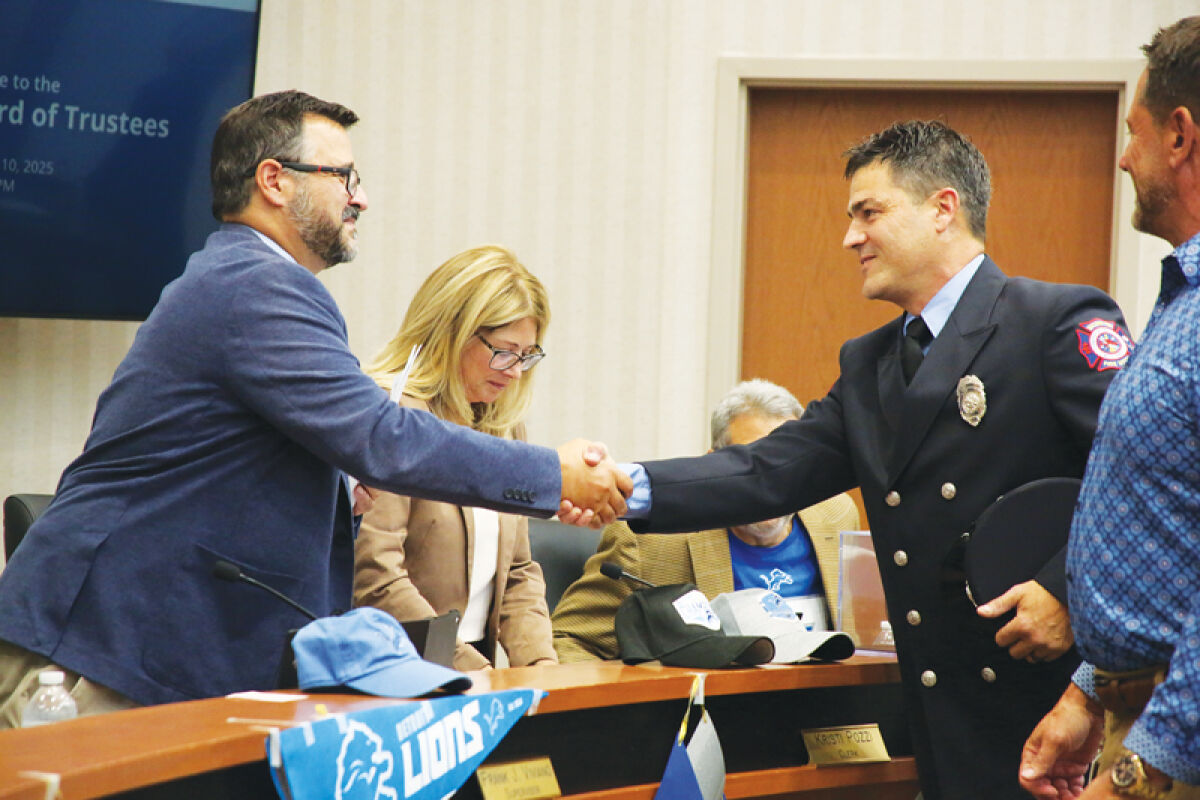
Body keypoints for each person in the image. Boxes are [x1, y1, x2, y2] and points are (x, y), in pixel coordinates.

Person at [0, 90, 629, 725]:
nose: (361, 197)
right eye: (344, 177)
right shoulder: (257, 285)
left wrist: (337, 491)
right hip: (96, 649)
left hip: (154, 645)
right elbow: (385, 440)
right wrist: (554, 474)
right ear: (273, 180)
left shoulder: (248, 281)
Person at [598, 121, 1133, 800]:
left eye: (869, 212)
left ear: (944, 209)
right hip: (942, 724)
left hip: (1058, 718)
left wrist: (1067, 589)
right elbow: (767, 471)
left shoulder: (1053, 322)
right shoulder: (870, 363)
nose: (851, 237)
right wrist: (628, 487)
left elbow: (1147, 483)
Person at [1020, 17, 1200, 800]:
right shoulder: (1181, 303)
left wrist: (1143, 769)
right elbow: (1170, 531)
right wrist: (1091, 691)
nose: (1123, 158)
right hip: (1148, 718)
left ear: (1181, 135)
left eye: (1133, 132)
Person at [551, 379, 859, 663]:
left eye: (787, 469)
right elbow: (569, 641)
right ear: (717, 465)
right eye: (755, 470)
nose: (773, 486)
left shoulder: (836, 515)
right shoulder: (648, 543)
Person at [353, 245, 558, 671]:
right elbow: (376, 581)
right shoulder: (392, 418)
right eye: (504, 351)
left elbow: (518, 572)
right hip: (401, 676)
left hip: (476, 679)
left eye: (527, 355)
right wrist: (477, 675)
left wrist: (541, 668)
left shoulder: (503, 425)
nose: (516, 371)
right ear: (453, 332)